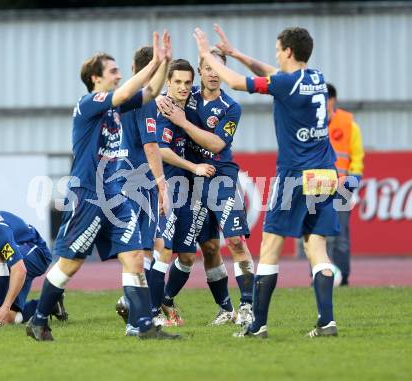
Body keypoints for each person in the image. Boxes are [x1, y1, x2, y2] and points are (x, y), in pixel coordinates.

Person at [26, 31, 179, 341]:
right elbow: (126, 93)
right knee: (70, 263)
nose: (120, 74)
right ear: (96, 79)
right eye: (113, 71)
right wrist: (153, 62)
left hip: (114, 195)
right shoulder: (90, 103)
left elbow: (149, 92)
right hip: (87, 196)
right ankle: (38, 319)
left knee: (134, 256)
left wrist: (163, 63)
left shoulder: (113, 107)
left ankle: (143, 325)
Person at [194, 24, 340, 338]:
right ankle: (326, 322)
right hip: (327, 172)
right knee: (317, 247)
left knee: (270, 246)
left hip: (295, 176)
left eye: (278, 48)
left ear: (288, 51)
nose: (275, 53)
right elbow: (271, 73)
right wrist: (235, 54)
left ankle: (257, 325)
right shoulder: (313, 77)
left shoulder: (287, 84)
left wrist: (208, 54)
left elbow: (234, 81)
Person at [159, 47, 255, 326]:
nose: (213, 73)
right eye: (208, 67)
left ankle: (247, 306)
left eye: (219, 68)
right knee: (206, 249)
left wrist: (183, 123)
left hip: (221, 176)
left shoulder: (231, 107)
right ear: (199, 71)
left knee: (236, 241)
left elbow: (216, 144)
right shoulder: (184, 97)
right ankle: (224, 309)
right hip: (191, 181)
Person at [113, 44, 170, 336]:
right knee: (143, 249)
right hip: (139, 180)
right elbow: (150, 145)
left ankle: (139, 311)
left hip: (118, 178)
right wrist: (162, 186)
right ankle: (139, 314)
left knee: (138, 249)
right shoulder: (146, 102)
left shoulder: (121, 98)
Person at [298, 83, 364, 286]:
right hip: (316, 187)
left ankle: (343, 279)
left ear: (331, 100)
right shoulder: (307, 126)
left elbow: (357, 159)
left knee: (340, 235)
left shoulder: (349, 125)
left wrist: (352, 181)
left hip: (342, 187)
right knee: (315, 233)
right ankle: (317, 277)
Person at [0, 210, 67, 327]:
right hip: (13, 257)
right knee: (8, 318)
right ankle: (52, 303)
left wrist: (5, 307)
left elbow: (19, 269)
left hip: (35, 252)